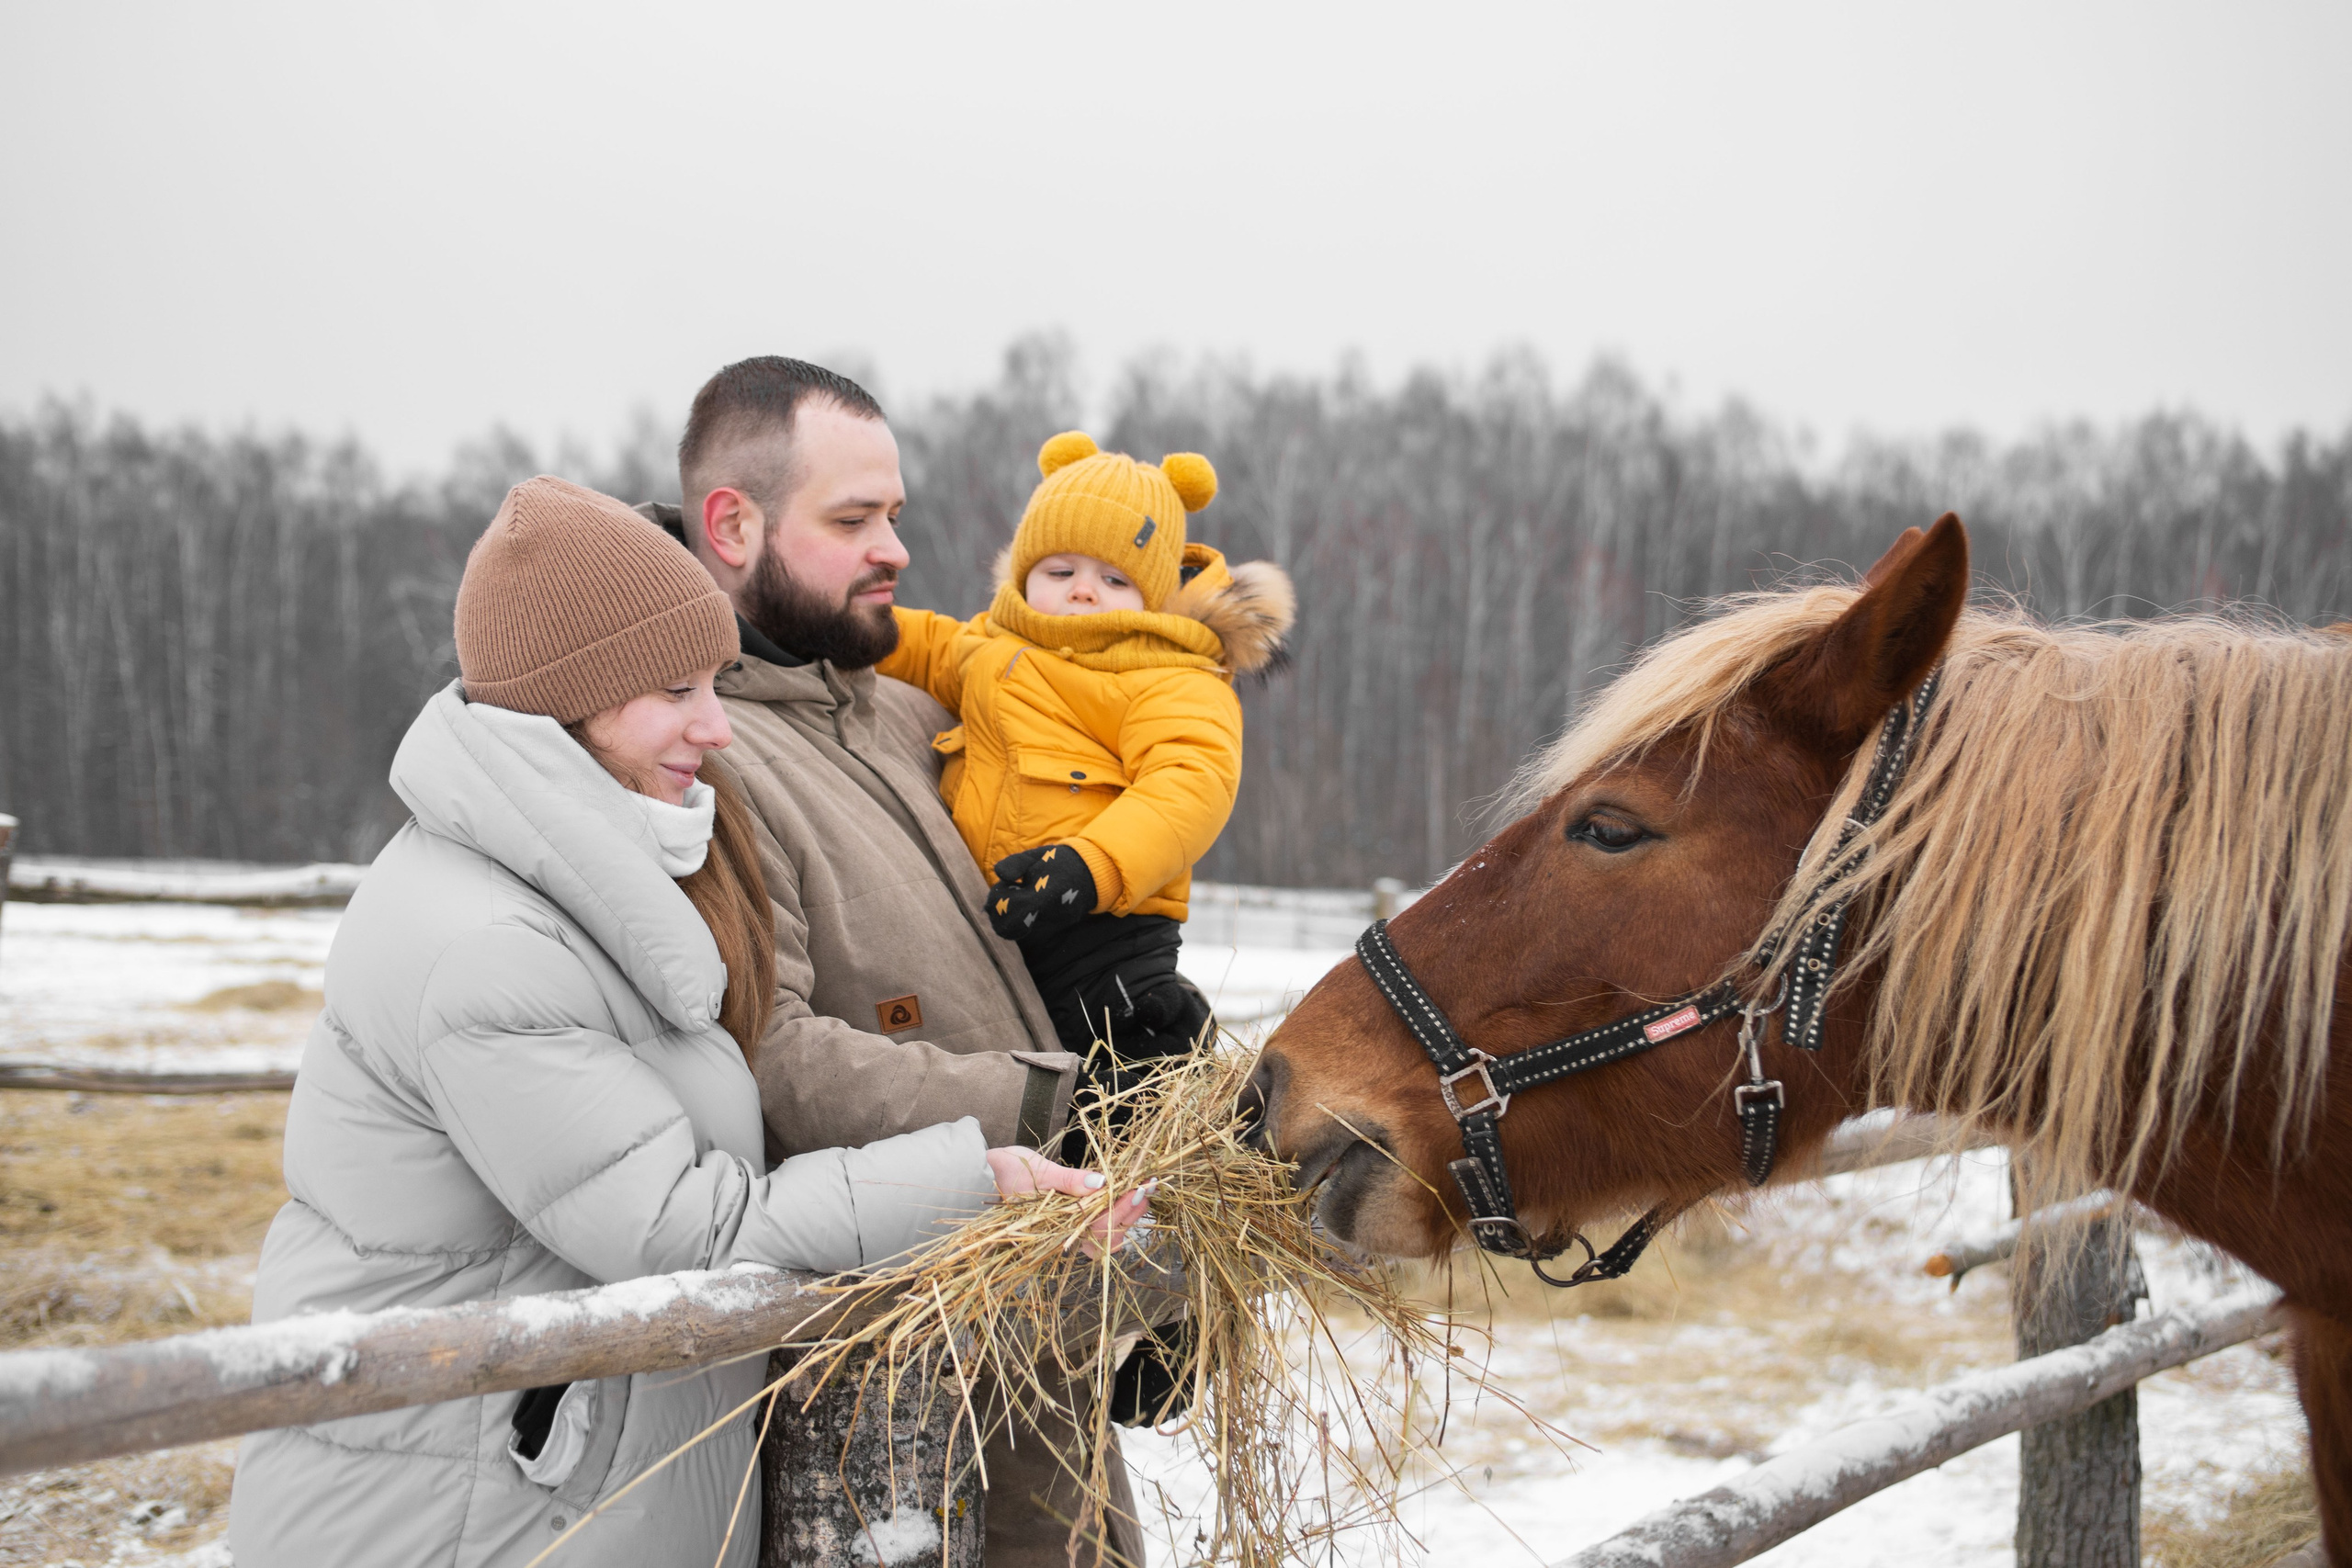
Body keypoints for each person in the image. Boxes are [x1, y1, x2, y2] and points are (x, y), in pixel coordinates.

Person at [228, 476, 1142, 1568]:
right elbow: (688, 1236)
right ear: (566, 702)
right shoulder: (488, 945)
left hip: (559, 1476)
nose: (715, 727)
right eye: (674, 691)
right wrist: (971, 1177)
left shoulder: (607, 875)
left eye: (715, 682)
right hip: (458, 1513)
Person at [644, 359, 1180, 1567]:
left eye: (896, 513)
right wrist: (1052, 1098)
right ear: (731, 524)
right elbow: (764, 1049)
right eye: (853, 520)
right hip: (875, 1373)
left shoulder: (893, 706)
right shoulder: (695, 750)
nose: (895, 547)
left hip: (1028, 1318)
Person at [876, 432, 1295, 1149]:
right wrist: (846, 626)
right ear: (1024, 570)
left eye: (1114, 578)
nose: (1082, 590)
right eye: (1061, 567)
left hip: (1105, 927)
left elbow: (1187, 787)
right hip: (1007, 920)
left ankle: (1176, 1165)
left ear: (1154, 594)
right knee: (1034, 1082)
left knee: (1124, 1068)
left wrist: (1090, 866)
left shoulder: (1169, 674)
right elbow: (908, 641)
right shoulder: (988, 648)